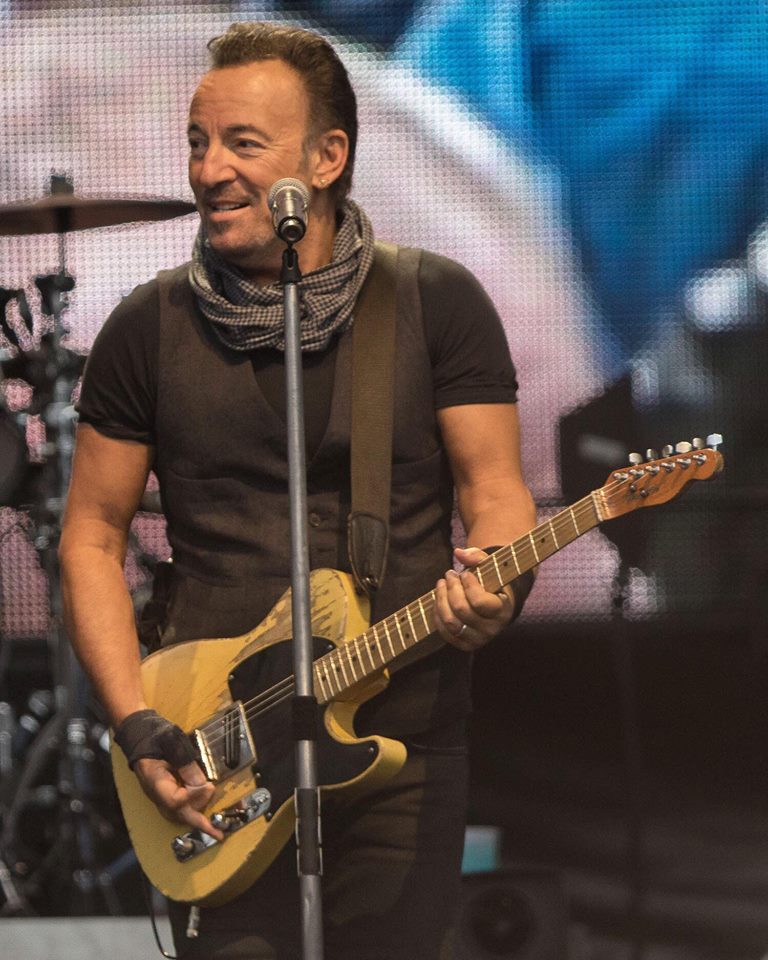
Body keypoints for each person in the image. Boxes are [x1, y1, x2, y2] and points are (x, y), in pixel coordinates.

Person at [58, 21, 536, 960]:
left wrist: (499, 582)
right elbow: (91, 536)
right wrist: (136, 725)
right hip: (214, 749)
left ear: (327, 158)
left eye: (242, 143)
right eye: (199, 142)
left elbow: (498, 494)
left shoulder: (435, 302)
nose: (209, 170)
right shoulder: (146, 328)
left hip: (401, 734)